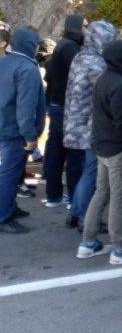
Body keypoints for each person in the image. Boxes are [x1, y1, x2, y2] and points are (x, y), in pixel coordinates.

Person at [77, 40, 122, 264]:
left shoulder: (104, 79)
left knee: (101, 193)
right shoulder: (120, 85)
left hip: (103, 148)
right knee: (119, 199)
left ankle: (88, 242)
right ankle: (120, 248)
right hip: (119, 151)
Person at [64, 20, 118, 230]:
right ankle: (84, 217)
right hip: (90, 125)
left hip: (77, 123)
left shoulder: (81, 57)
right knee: (92, 171)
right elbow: (106, 92)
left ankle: (76, 212)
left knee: (88, 169)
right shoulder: (97, 63)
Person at [0, 29, 46, 234]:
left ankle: (9, 207)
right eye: (36, 45)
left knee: (12, 172)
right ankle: (3, 215)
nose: (38, 49)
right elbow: (26, 106)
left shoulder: (5, 62)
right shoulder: (27, 68)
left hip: (6, 124)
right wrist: (29, 135)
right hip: (15, 130)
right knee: (10, 174)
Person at [44, 14, 86, 209]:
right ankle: (73, 198)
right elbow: (79, 73)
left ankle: (54, 195)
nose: (87, 30)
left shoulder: (63, 45)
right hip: (66, 106)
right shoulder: (69, 47)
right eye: (85, 26)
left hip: (57, 104)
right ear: (76, 27)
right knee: (73, 153)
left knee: (57, 152)